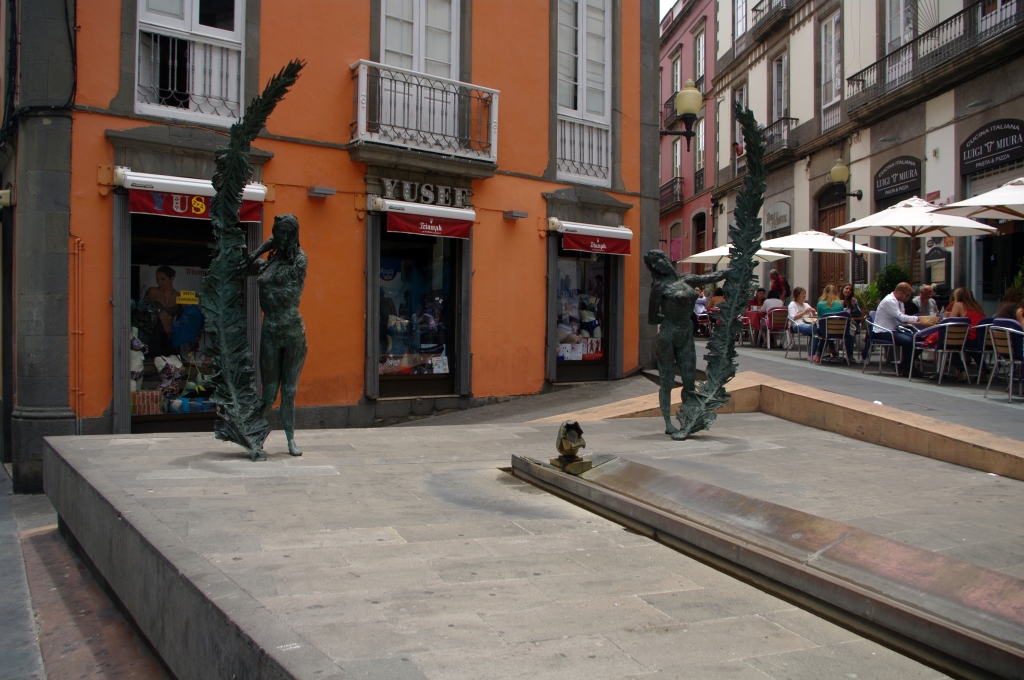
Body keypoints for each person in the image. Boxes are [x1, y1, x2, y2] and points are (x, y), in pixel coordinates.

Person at [242, 214, 308, 456]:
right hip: (270, 329)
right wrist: (257, 253)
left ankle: (290, 439)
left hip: (292, 331)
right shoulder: (269, 263)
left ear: (290, 235)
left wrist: (262, 270)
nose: (276, 236)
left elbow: (289, 294)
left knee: (289, 391)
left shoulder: (299, 260)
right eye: (274, 232)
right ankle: (252, 437)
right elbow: (243, 268)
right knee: (269, 392)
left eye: (280, 232)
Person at [644, 250, 729, 437]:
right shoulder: (659, 287)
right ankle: (668, 423)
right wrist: (671, 318)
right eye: (653, 264)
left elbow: (711, 276)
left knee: (689, 379)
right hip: (668, 335)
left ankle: (688, 418)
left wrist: (731, 271)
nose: (657, 265)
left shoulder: (687, 280)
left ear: (666, 260)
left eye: (658, 260)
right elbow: (651, 318)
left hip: (686, 334)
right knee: (667, 380)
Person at [866, 281, 921, 375]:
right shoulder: (889, 301)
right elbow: (901, 317)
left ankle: (904, 365)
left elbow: (901, 319)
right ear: (900, 292)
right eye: (907, 295)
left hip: (893, 330)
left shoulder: (900, 302)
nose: (908, 298)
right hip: (882, 331)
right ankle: (906, 367)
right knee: (909, 341)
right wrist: (918, 318)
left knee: (920, 338)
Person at [144, 265, 181, 356]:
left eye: (162, 279)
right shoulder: (152, 291)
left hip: (170, 336)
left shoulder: (179, 296)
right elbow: (142, 311)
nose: (159, 282)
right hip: (154, 334)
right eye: (157, 279)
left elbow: (185, 318)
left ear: (171, 279)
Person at [788, 287, 815, 358]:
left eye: (805, 293)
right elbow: (792, 317)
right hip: (797, 324)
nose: (804, 295)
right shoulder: (792, 304)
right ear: (797, 295)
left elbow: (813, 316)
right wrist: (804, 312)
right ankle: (812, 354)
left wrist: (813, 313)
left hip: (808, 323)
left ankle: (814, 353)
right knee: (814, 330)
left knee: (817, 331)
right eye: (802, 293)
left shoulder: (806, 305)